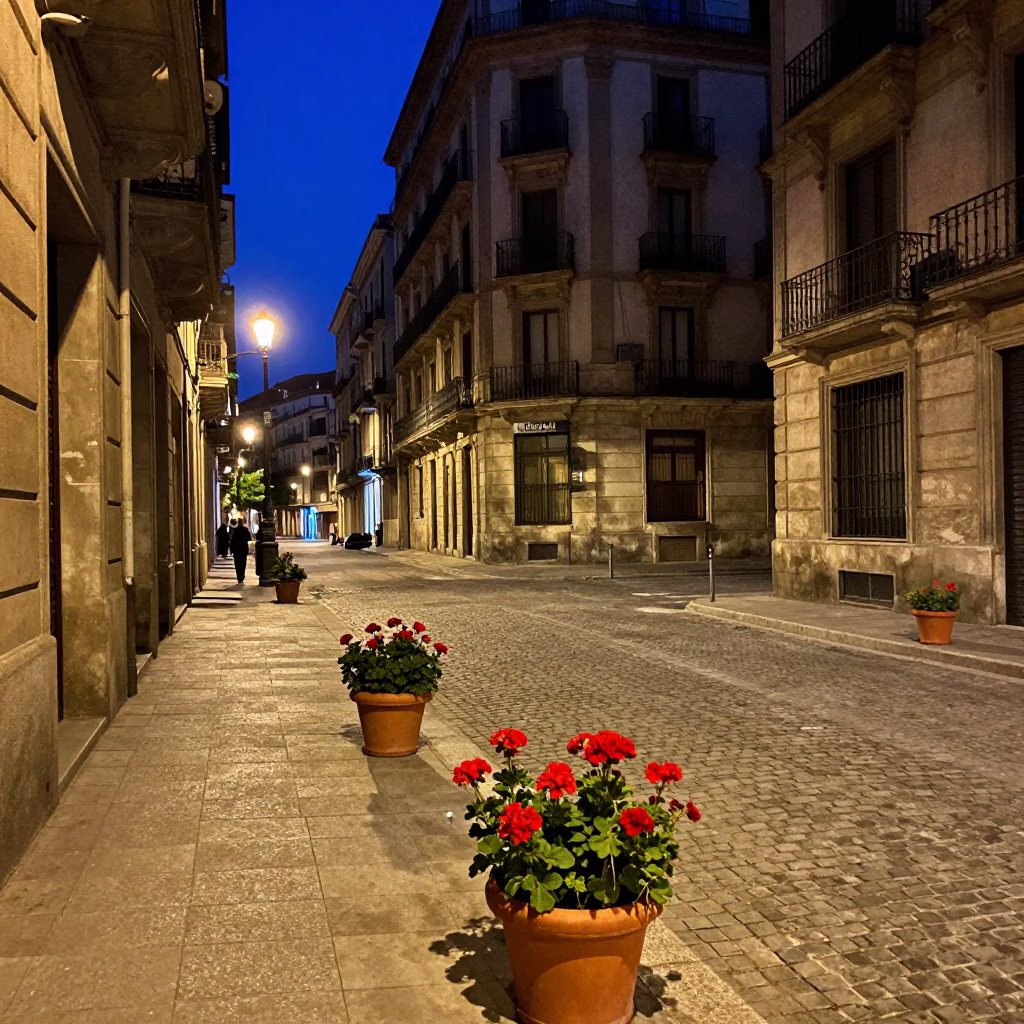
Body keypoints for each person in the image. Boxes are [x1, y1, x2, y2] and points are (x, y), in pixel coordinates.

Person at [229, 518, 252, 584]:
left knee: (237, 563)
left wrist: (232, 549)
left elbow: (233, 540)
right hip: (243, 549)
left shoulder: (236, 530)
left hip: (236, 549)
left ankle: (239, 577)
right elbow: (249, 538)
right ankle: (242, 576)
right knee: (243, 563)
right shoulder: (245, 530)